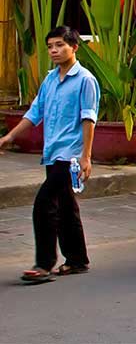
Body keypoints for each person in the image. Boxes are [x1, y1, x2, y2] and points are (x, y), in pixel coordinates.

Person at [0, 27, 99, 283]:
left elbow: (89, 119)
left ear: (74, 47)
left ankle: (44, 264)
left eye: (59, 45)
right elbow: (35, 112)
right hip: (53, 152)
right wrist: (10, 136)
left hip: (71, 155)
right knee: (66, 206)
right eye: (50, 46)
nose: (54, 51)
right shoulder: (50, 80)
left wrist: (86, 157)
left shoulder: (85, 80)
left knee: (44, 203)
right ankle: (77, 260)